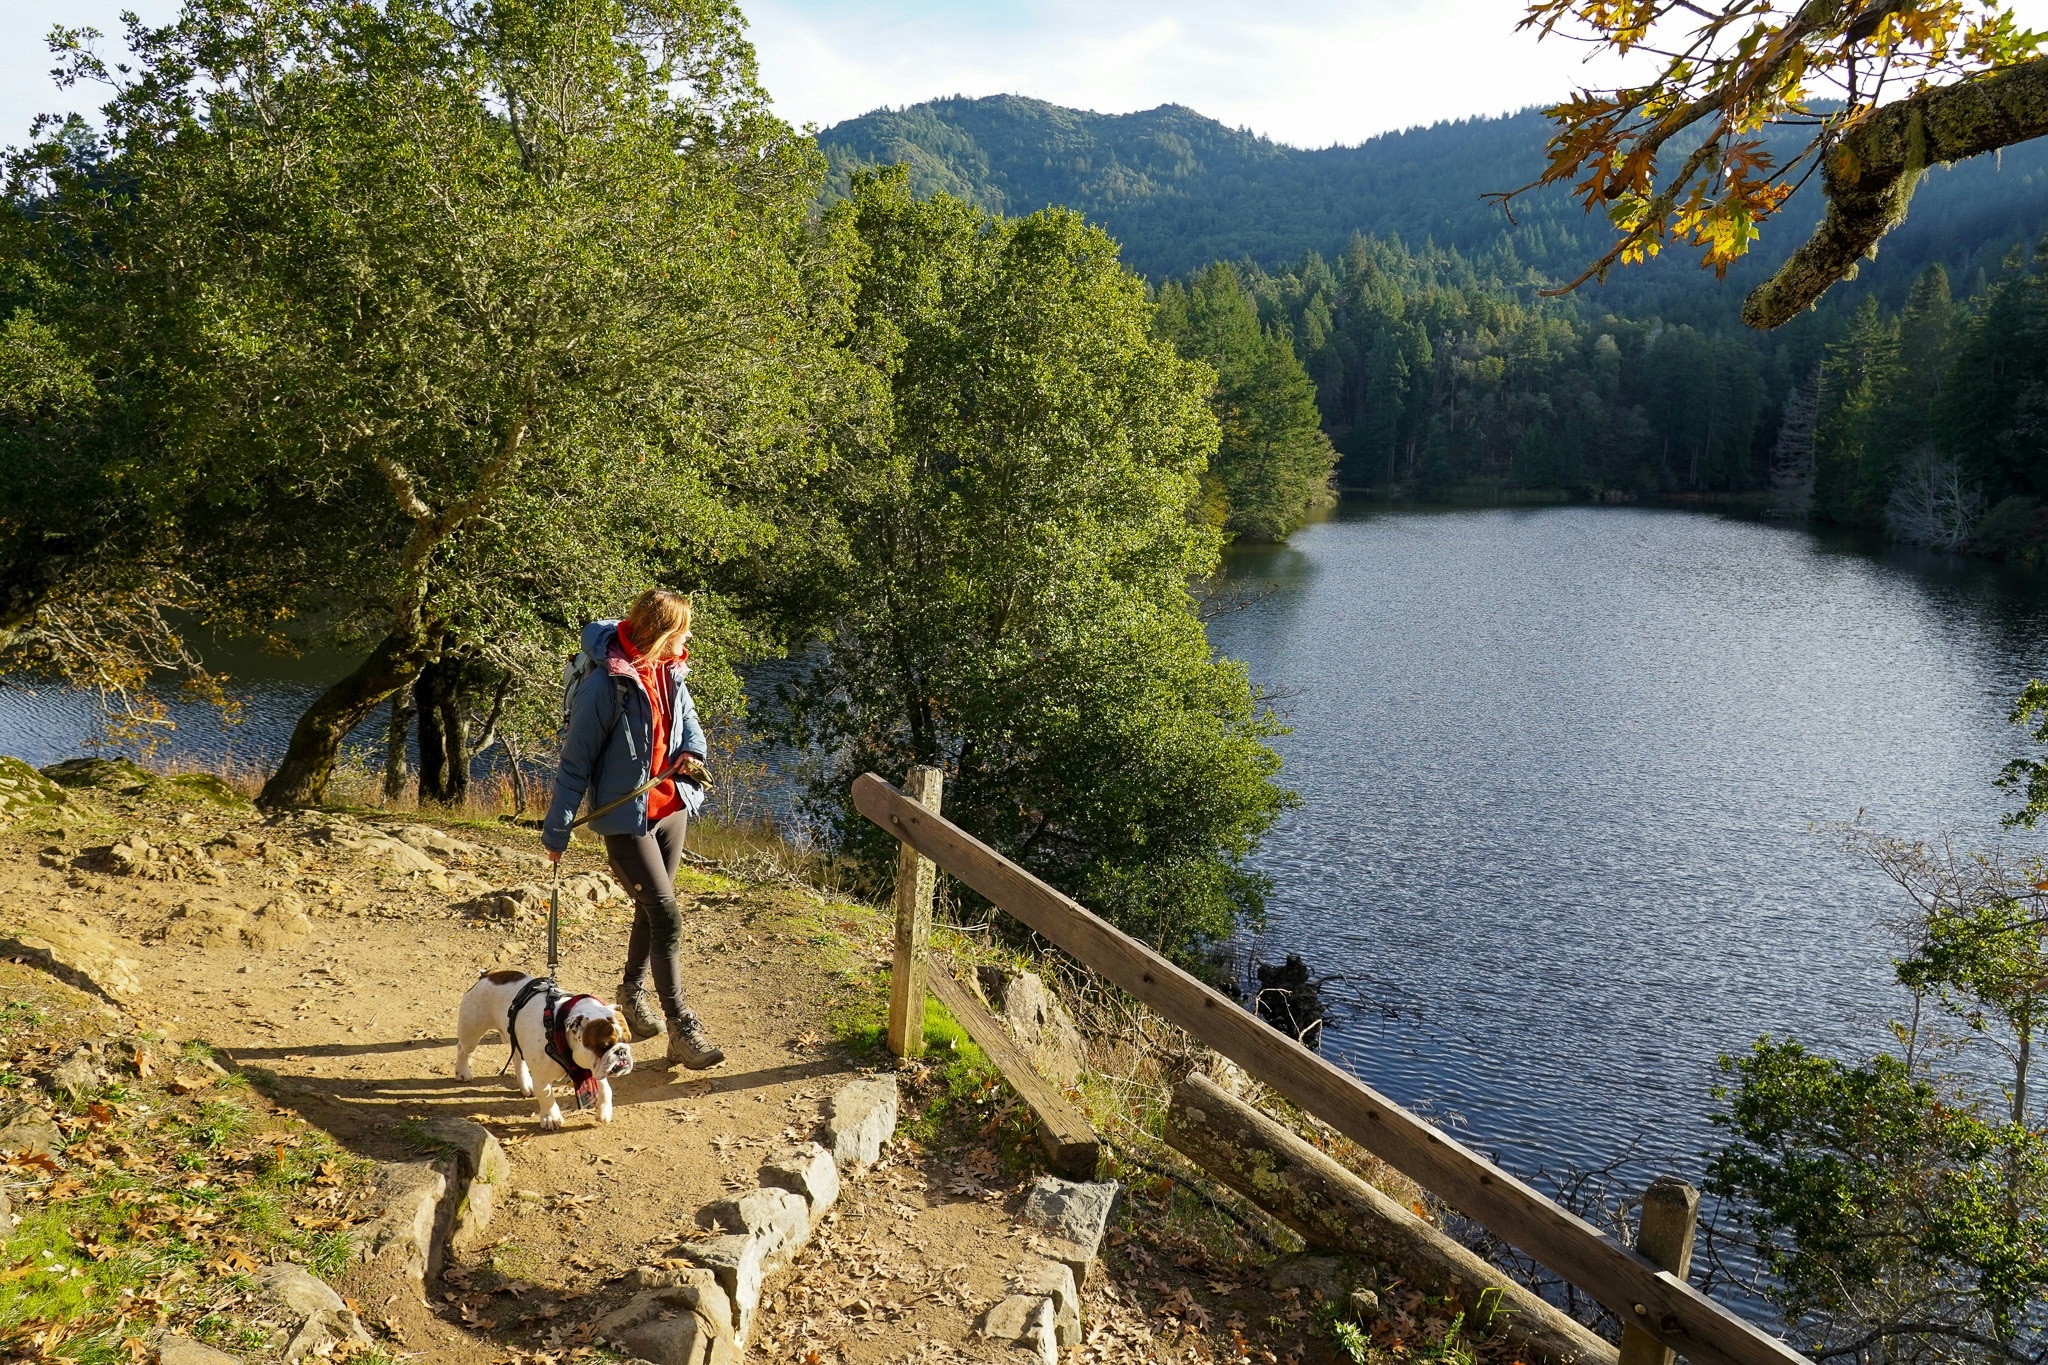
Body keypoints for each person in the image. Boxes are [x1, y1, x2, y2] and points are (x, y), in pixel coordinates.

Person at [542, 589, 724, 1069]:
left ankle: (630, 994)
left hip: (671, 808)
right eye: (682, 630)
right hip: (627, 820)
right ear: (663, 633)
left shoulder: (671, 671)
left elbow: (692, 728)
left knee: (652, 910)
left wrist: (692, 756)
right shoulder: (607, 686)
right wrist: (557, 831)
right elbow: (574, 762)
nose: (688, 638)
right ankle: (681, 1026)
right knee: (667, 916)